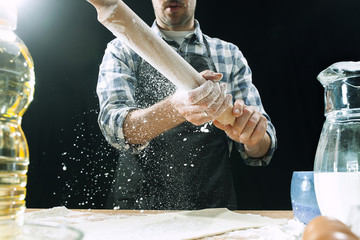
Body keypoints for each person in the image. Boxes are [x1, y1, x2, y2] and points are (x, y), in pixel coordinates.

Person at [96, 0, 277, 210]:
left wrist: (252, 134)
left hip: (212, 209)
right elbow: (115, 128)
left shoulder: (229, 54)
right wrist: (176, 108)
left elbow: (262, 149)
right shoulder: (123, 48)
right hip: (139, 209)